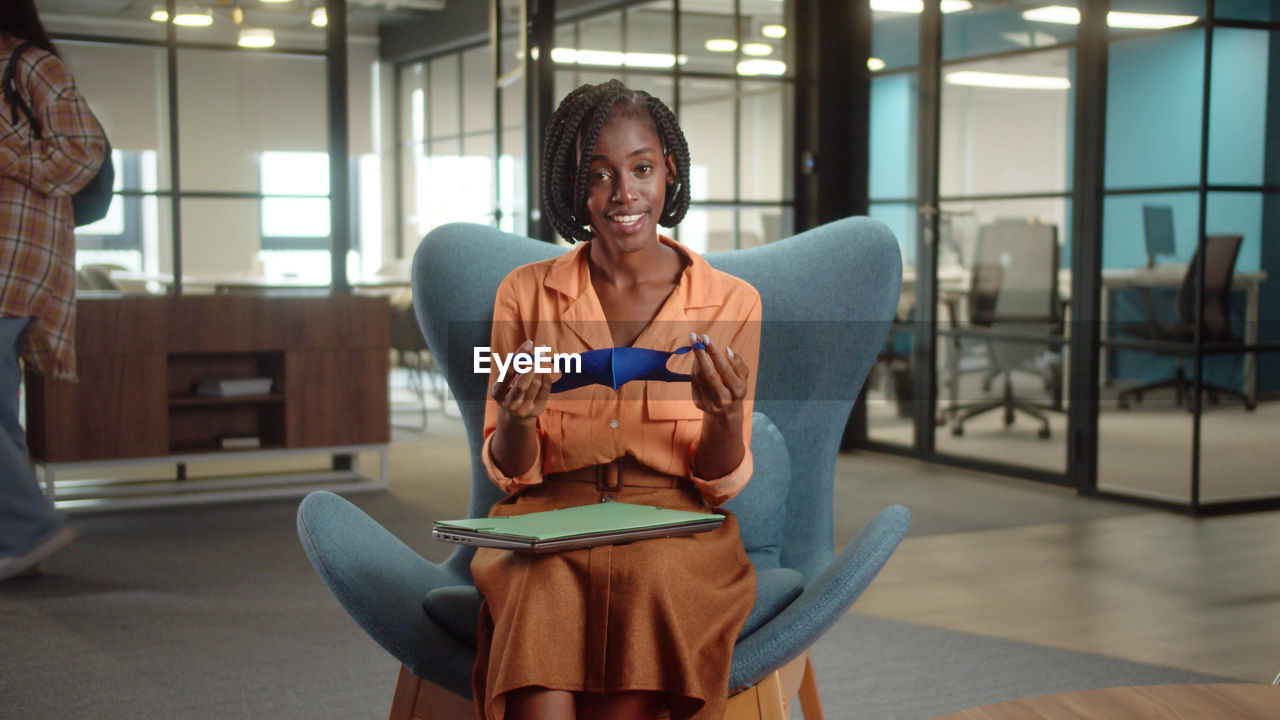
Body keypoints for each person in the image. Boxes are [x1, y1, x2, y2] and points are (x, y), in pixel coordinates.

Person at [471, 79, 762, 720]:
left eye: (642, 169)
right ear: (576, 187)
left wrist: (726, 416)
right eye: (599, 175)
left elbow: (717, 483)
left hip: (673, 525)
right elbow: (513, 471)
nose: (624, 195)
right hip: (550, 514)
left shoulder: (733, 304)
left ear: (670, 171)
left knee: (649, 589)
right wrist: (518, 419)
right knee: (539, 592)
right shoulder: (524, 295)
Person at [0, 0, 106, 582]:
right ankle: (20, 541)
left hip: (14, 263)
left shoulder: (30, 66)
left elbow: (82, 153)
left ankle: (29, 529)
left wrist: (8, 151)